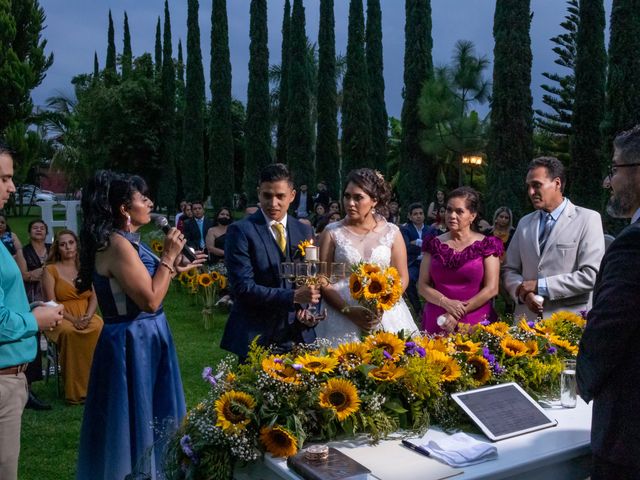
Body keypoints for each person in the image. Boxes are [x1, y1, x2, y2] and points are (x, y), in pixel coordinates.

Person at [75, 171, 204, 479]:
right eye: (142, 198)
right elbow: (150, 300)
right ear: (124, 208)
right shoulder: (118, 245)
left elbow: (150, 284)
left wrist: (174, 267)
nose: (150, 203)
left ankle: (159, 469)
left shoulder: (130, 241)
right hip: (132, 342)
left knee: (154, 413)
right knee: (134, 420)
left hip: (148, 337)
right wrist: (170, 256)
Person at [577, 126, 640, 479]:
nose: (607, 181)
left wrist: (581, 383)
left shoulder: (633, 244)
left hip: (629, 435)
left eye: (615, 168)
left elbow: (606, 333)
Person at [0, 142, 63, 480]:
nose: (11, 187)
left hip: (12, 378)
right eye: (4, 178)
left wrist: (32, 308)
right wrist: (33, 320)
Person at [220, 163, 320, 360]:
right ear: (259, 193)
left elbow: (313, 277)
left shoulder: (305, 231)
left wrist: (309, 310)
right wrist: (292, 296)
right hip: (256, 336)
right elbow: (242, 287)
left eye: (280, 196)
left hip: (297, 336)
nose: (273, 203)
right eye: (267, 195)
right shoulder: (240, 231)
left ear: (292, 196)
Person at [316, 169, 417, 344]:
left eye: (358, 197)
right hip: (341, 312)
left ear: (374, 201)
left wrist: (384, 303)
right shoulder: (332, 232)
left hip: (384, 311)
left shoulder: (392, 232)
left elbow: (402, 276)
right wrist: (348, 310)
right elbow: (323, 278)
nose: (350, 203)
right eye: (347, 196)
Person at [502, 157, 605, 321]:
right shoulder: (525, 223)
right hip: (526, 323)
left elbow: (591, 275)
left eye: (536, 185)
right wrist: (524, 293)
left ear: (557, 183)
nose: (531, 192)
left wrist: (540, 286)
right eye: (528, 186)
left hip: (568, 323)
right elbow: (509, 269)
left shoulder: (588, 219)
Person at [418, 187, 503, 334]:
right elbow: (422, 285)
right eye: (449, 210)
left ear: (472, 216)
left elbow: (492, 288)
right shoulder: (433, 244)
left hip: (475, 318)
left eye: (459, 211)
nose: (451, 215)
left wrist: (456, 312)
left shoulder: (488, 245)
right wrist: (445, 302)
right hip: (438, 319)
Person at [41, 230, 103, 404]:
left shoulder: (85, 267)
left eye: (71, 242)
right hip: (60, 316)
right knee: (70, 333)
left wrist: (88, 316)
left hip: (86, 313)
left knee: (100, 328)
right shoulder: (50, 270)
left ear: (77, 244)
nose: (68, 247)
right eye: (63, 244)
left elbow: (95, 295)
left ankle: (99, 386)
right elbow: (51, 302)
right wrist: (73, 320)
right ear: (57, 248)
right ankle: (77, 391)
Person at [16, 220, 52, 410]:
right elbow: (23, 275)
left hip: (52, 295)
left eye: (42, 227)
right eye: (35, 227)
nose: (39, 230)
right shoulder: (24, 251)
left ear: (46, 232)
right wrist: (35, 274)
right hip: (31, 298)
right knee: (33, 336)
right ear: (29, 232)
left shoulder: (52, 248)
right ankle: (28, 387)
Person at [400, 202, 437, 316]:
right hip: (414, 262)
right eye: (415, 214)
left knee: (439, 278)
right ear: (410, 216)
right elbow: (406, 246)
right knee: (409, 279)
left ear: (424, 215)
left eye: (421, 213)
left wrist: (415, 242)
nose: (419, 216)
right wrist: (423, 245)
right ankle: (418, 310)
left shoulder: (430, 229)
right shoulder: (405, 229)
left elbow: (435, 245)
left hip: (430, 263)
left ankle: (434, 308)